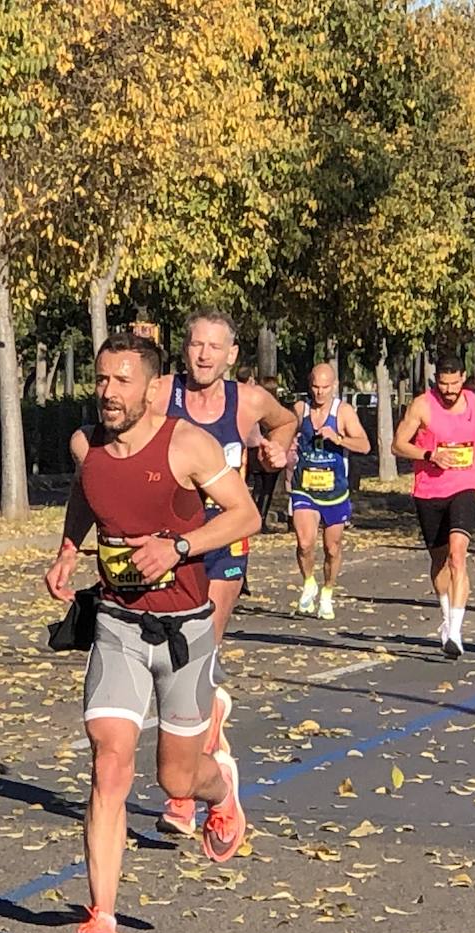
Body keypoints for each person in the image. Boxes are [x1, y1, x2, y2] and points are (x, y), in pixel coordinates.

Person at [44, 332, 256, 933]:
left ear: (153, 387)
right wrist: (69, 547)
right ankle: (101, 923)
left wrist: (181, 548)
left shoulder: (186, 444)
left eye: (123, 380)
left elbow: (245, 516)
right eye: (102, 379)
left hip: (187, 633)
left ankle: (221, 791)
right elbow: (89, 490)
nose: (109, 392)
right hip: (118, 627)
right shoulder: (91, 448)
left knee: (175, 781)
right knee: (109, 762)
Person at [151, 310, 295, 837]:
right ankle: (207, 727)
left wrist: (277, 450)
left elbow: (286, 420)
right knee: (173, 659)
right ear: (184, 349)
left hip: (225, 536)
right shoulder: (160, 392)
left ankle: (187, 792)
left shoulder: (248, 401)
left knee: (196, 649)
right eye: (195, 345)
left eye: (215, 347)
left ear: (232, 354)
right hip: (169, 543)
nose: (204, 355)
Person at [392, 353, 475, 658]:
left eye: (454, 383)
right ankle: (446, 619)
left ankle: (456, 631)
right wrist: (429, 455)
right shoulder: (422, 405)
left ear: (463, 378)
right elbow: (398, 444)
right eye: (443, 384)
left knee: (459, 555)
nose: (448, 390)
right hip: (429, 491)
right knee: (440, 559)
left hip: (465, 485)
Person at [287, 363, 370, 619]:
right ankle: (309, 581)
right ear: (309, 385)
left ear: (333, 386)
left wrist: (339, 439)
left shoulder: (343, 412)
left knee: (332, 548)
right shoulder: (300, 410)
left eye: (324, 387)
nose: (319, 393)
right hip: (305, 489)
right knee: (304, 543)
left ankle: (327, 591)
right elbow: (284, 432)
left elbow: (365, 445)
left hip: (335, 491)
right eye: (315, 387)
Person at [245, 375, 283, 524]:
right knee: (267, 486)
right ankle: (261, 517)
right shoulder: (275, 409)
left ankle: (254, 516)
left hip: (255, 448)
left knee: (258, 485)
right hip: (268, 448)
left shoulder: (257, 406)